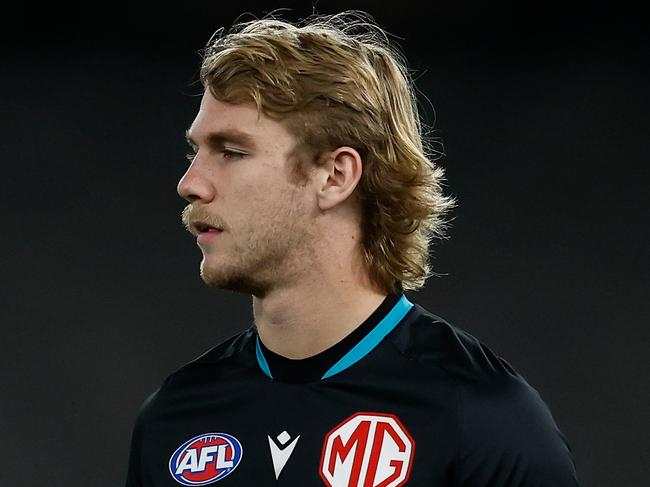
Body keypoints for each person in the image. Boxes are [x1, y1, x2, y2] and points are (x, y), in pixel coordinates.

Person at [125, 11, 580, 487]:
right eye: (194, 152)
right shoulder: (174, 419)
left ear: (336, 176)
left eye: (232, 152)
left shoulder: (482, 419)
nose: (190, 183)